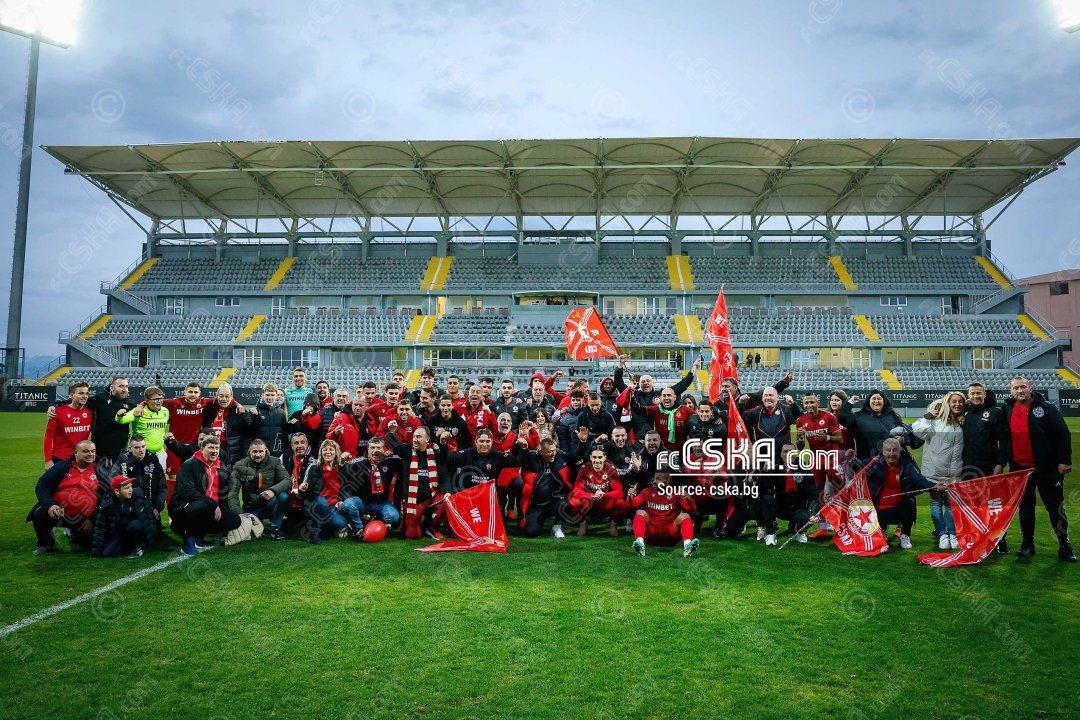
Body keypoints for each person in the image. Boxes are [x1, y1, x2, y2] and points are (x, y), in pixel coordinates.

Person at [1003, 376, 1075, 561]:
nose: (1020, 391)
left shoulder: (1046, 408)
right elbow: (1005, 438)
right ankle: (1027, 544)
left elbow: (1062, 433)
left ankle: (1065, 546)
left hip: (1047, 468)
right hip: (1020, 469)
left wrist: (1065, 460)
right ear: (1011, 391)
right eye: (1016, 388)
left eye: (1023, 387)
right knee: (1026, 508)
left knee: (1055, 508)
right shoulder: (1008, 409)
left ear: (1030, 388)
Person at [848, 438, 944, 550]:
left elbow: (920, 481)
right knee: (874, 512)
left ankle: (905, 535)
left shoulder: (907, 465)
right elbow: (858, 467)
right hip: (879, 510)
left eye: (895, 450)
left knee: (910, 503)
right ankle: (882, 530)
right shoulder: (875, 463)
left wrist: (934, 486)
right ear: (883, 451)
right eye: (888, 450)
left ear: (899, 451)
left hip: (900, 509)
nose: (892, 453)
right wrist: (852, 460)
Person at [27, 439, 103, 555]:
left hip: (85, 518)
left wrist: (92, 519)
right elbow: (41, 485)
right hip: (61, 512)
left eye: (93, 451)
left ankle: (76, 535)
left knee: (88, 545)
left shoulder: (99, 470)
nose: (91, 454)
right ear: (76, 452)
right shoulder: (62, 467)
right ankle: (45, 543)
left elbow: (106, 497)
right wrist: (50, 505)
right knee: (40, 514)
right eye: (86, 451)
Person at [168, 436, 242, 556]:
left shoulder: (221, 466)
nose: (214, 451)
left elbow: (225, 491)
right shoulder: (190, 465)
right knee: (200, 506)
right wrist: (213, 504)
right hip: (185, 506)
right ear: (202, 449)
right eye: (211, 448)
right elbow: (187, 492)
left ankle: (199, 534)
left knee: (234, 521)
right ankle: (187, 538)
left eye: (217, 448)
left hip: (210, 509)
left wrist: (224, 508)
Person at [912, 392, 965, 550]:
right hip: (934, 472)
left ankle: (952, 533)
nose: (957, 404)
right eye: (953, 401)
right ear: (947, 403)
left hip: (955, 473)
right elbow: (918, 430)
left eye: (960, 402)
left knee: (951, 505)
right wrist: (928, 416)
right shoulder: (934, 421)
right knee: (936, 503)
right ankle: (942, 534)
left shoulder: (962, 421)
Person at [962, 382, 1008, 553]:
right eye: (972, 393)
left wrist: (1000, 463)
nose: (976, 396)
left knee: (993, 505)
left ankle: (1000, 540)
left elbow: (1004, 439)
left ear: (984, 394)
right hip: (967, 467)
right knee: (972, 504)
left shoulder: (995, 412)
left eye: (978, 393)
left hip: (989, 466)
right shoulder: (965, 412)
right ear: (968, 396)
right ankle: (977, 538)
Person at [390, 426, 448, 539]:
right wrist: (391, 432)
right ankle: (410, 524)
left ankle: (430, 526)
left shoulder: (435, 453)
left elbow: (444, 474)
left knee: (447, 502)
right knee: (412, 535)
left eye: (419, 437)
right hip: (413, 500)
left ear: (427, 439)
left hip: (431, 496)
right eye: (414, 437)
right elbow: (395, 446)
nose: (415, 439)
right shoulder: (407, 451)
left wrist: (448, 491)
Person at [303, 439, 365, 543]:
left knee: (340, 523)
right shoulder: (313, 467)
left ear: (336, 452)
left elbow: (352, 483)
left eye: (331, 449)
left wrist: (342, 501)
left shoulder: (342, 467)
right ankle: (315, 532)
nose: (328, 452)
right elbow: (304, 491)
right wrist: (303, 489)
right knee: (321, 501)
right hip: (317, 504)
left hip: (333, 507)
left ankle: (331, 528)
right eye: (325, 450)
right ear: (321, 452)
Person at [627, 472, 699, 557]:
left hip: (671, 534)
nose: (655, 481)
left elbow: (692, 509)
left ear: (667, 481)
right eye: (654, 478)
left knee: (685, 516)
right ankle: (640, 545)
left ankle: (688, 547)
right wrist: (630, 496)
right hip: (652, 534)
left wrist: (689, 499)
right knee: (640, 512)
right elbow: (632, 504)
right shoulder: (647, 491)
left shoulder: (676, 493)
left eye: (659, 479)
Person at [231, 438, 291, 540]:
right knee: (247, 534)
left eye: (261, 451)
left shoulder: (275, 462)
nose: (257, 454)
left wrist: (272, 491)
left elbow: (287, 480)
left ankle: (275, 529)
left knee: (283, 496)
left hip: (269, 504)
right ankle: (255, 522)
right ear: (249, 451)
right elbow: (233, 492)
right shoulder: (239, 465)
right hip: (251, 507)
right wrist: (238, 514)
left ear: (266, 451)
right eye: (254, 451)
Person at [339, 436, 402, 530]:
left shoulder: (391, 462)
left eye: (378, 448)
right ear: (367, 449)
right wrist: (341, 461)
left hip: (382, 503)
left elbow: (405, 457)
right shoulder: (358, 463)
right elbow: (340, 471)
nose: (375, 450)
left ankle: (372, 522)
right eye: (372, 447)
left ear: (383, 449)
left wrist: (394, 452)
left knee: (394, 516)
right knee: (348, 504)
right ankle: (359, 528)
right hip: (362, 502)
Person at [92, 476, 158, 558]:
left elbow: (150, 518)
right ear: (117, 491)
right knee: (107, 553)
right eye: (127, 488)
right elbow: (100, 527)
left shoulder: (138, 497)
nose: (130, 490)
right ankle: (126, 548)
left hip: (133, 531)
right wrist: (96, 550)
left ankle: (137, 547)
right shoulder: (107, 504)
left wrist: (153, 539)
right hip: (118, 533)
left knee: (135, 525)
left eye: (131, 486)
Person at [110, 435, 166, 530]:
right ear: (130, 449)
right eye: (137, 447)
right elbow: (113, 484)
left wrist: (157, 508)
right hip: (130, 507)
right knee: (133, 528)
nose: (141, 450)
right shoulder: (122, 461)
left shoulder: (153, 459)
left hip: (150, 508)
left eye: (143, 446)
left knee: (152, 533)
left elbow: (163, 487)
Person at [568, 447, 627, 537]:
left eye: (600, 457)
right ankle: (583, 524)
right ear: (590, 458)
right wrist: (591, 496)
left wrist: (604, 495)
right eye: (594, 457)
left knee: (621, 504)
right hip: (589, 502)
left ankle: (613, 524)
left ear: (604, 458)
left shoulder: (610, 469)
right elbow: (576, 491)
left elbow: (619, 493)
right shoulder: (584, 468)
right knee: (573, 502)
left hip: (605, 503)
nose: (597, 460)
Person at [836, 390, 908, 460]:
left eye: (879, 399)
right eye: (873, 399)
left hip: (890, 462)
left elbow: (905, 433)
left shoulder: (893, 416)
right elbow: (842, 418)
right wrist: (850, 402)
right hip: (866, 462)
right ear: (869, 402)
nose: (876, 401)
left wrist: (902, 439)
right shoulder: (859, 416)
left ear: (883, 401)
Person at [162, 382, 215, 477]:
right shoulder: (174, 403)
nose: (193, 394)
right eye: (190, 392)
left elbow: (224, 400)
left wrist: (238, 405)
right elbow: (154, 401)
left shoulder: (204, 402)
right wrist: (141, 405)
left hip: (193, 448)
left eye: (196, 392)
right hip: (174, 447)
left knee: (192, 476)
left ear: (200, 393)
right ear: (184, 392)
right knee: (173, 477)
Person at [116, 386, 171, 469]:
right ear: (147, 401)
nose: (159, 401)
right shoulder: (139, 411)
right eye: (155, 399)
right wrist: (119, 415)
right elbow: (122, 420)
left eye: (160, 398)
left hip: (160, 453)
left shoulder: (165, 411)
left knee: (160, 476)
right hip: (141, 454)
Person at [201, 383, 252, 466]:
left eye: (227, 396)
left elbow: (247, 434)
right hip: (211, 453)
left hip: (232, 455)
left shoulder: (240, 411)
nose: (224, 399)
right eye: (221, 396)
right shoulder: (208, 408)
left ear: (231, 397)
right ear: (217, 396)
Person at [44, 381, 92, 468]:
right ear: (71, 395)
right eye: (81, 393)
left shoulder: (90, 413)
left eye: (86, 393)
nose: (84, 396)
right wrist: (48, 460)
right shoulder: (57, 412)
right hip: (60, 458)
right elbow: (48, 437)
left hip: (81, 458)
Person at [279, 432, 318, 541]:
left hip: (308, 494)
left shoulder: (315, 457)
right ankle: (277, 526)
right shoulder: (285, 456)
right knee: (279, 497)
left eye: (302, 442)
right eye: (296, 443)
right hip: (289, 493)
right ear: (292, 445)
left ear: (307, 444)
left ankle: (312, 528)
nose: (299, 446)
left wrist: (304, 489)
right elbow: (278, 476)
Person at [251, 382, 287, 457]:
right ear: (263, 395)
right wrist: (255, 417)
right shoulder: (255, 412)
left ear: (276, 395)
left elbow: (284, 435)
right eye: (267, 395)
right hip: (260, 455)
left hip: (277, 455)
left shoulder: (282, 413)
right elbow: (250, 433)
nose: (270, 398)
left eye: (272, 395)